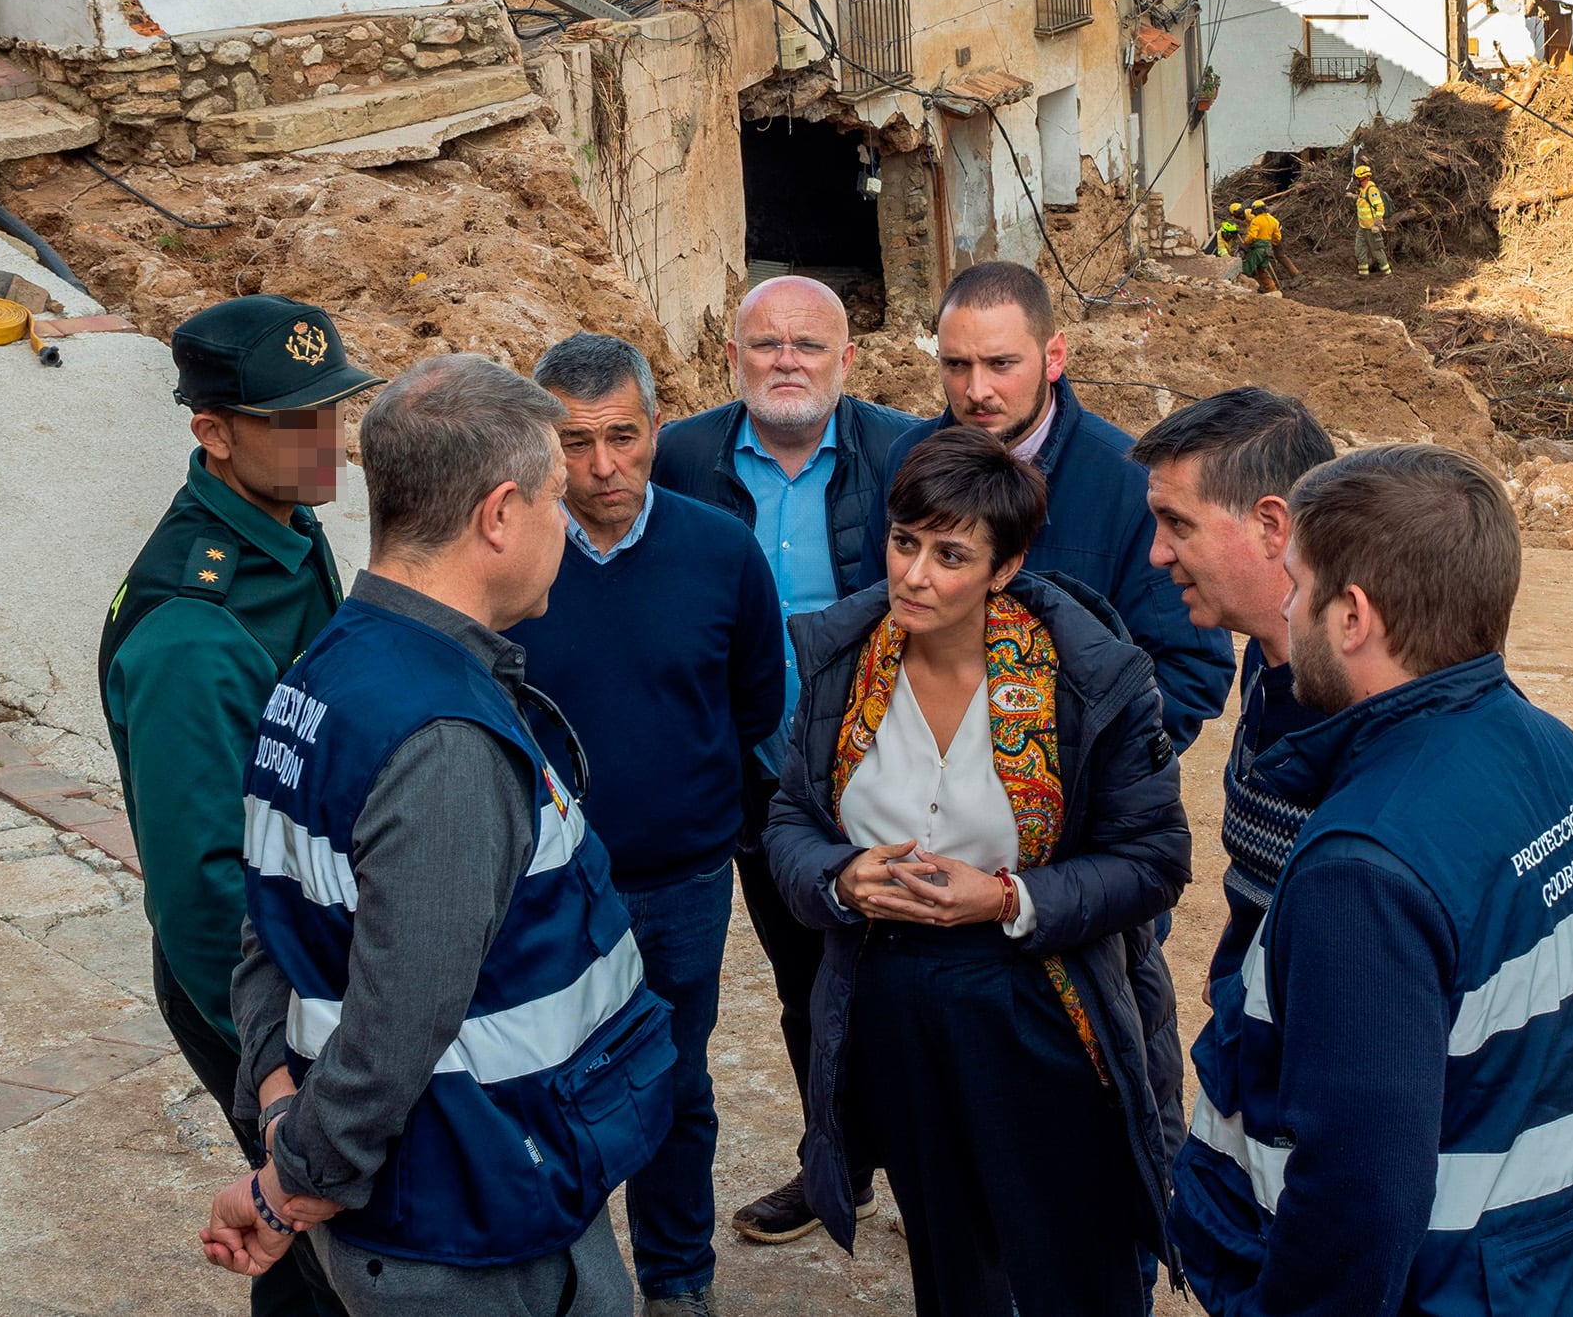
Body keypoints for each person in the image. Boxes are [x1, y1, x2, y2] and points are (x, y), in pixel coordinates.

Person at [204, 355, 675, 1317]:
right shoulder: (444, 738)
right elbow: (396, 1021)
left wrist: (280, 1094)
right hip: (471, 1217)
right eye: (553, 494)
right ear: (499, 514)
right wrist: (294, 1178)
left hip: (473, 1187)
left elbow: (269, 931)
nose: (569, 515)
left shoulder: (323, 673)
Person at [1169, 445, 1573, 1317]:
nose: (1283, 602)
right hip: (1550, 1268)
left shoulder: (1364, 871)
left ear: (1353, 617)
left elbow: (1358, 1201)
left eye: (1298, 583)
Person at [764, 426, 1189, 1315]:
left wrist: (1007, 896)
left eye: (950, 554)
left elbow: (1152, 860)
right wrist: (841, 882)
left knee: (1074, 1257)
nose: (914, 574)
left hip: (1036, 998)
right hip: (893, 997)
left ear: (1005, 568)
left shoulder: (1090, 679)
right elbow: (793, 817)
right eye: (904, 541)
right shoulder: (843, 664)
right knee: (951, 1263)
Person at [101, 295, 376, 1317]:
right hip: (253, 984)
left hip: (312, 946)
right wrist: (278, 1069)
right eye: (291, 420)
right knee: (308, 1237)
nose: (326, 441)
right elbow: (205, 889)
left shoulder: (285, 531)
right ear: (212, 433)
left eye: (332, 411)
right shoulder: (191, 627)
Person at [502, 332, 785, 1317]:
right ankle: (562, 1280)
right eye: (574, 443)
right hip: (540, 887)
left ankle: (677, 1280)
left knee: (672, 1081)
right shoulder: (505, 558)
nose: (602, 466)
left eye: (623, 435)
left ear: (657, 428)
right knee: (538, 1079)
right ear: (540, 442)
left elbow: (755, 707)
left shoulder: (720, 550)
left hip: (681, 883)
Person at [650, 274, 917, 1244]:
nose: (787, 361)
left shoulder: (905, 451)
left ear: (847, 359)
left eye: (809, 344)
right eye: (766, 344)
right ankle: (834, 1163)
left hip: (889, 769)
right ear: (733, 358)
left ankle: (929, 1166)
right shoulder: (680, 457)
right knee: (805, 979)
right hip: (757, 777)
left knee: (912, 976)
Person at [867, 260, 1234, 751]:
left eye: (1001, 364)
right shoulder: (905, 459)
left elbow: (1188, 670)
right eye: (956, 365)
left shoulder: (1129, 485)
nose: (977, 391)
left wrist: (1076, 769)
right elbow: (874, 618)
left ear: (1053, 356)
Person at [1134, 387, 1337, 984]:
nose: (1157, 553)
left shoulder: (1356, 705)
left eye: (1178, 524)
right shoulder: (1265, 658)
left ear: (1272, 525)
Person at [1351, 165, 1392, 276]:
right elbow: (1363, 201)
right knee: (1359, 250)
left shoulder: (1371, 190)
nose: (1356, 181)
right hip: (1362, 227)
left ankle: (1388, 274)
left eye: (1357, 178)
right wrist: (1354, 196)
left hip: (1371, 228)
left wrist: (1377, 224)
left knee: (1377, 250)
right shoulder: (1362, 190)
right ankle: (1363, 274)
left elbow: (1380, 207)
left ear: (1362, 178)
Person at [1239, 200, 1282, 294]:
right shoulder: (1273, 220)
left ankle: (1243, 289)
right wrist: (1270, 243)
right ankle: (1272, 290)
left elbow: (1252, 236)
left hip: (1257, 249)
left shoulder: (1256, 220)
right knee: (1262, 270)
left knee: (1247, 269)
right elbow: (1277, 237)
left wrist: (1245, 243)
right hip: (1268, 249)